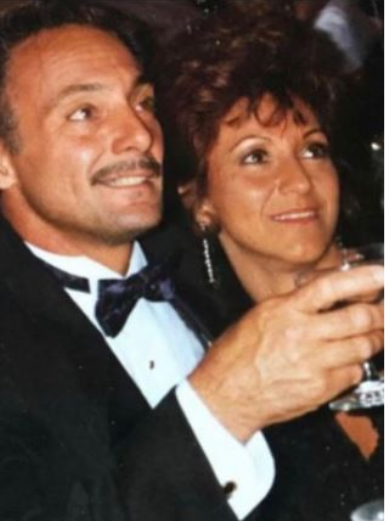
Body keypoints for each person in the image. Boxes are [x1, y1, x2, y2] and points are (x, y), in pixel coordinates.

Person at [0, 2, 384, 521]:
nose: (140, 133)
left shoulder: (195, 256)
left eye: (143, 102)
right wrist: (222, 405)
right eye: (85, 112)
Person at [157, 5, 383, 520]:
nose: (299, 181)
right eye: (256, 156)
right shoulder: (214, 369)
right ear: (201, 201)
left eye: (313, 150)